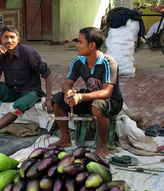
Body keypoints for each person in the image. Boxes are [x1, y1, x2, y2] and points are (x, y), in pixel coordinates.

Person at [49, 27, 123, 158]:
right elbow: (66, 83)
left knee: (97, 106)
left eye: (80, 42)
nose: (77, 45)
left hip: (111, 101)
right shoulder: (78, 61)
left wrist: (80, 96)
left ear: (92, 45)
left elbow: (107, 92)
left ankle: (102, 145)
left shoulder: (108, 62)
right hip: (90, 99)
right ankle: (65, 139)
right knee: (58, 100)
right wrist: (69, 93)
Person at [0, 25, 53, 142]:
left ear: (18, 39)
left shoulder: (28, 53)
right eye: (6, 37)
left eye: (12, 37)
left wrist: (49, 98)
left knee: (18, 107)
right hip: (11, 90)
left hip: (31, 92)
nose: (9, 40)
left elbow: (47, 73)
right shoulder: (1, 54)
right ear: (1, 39)